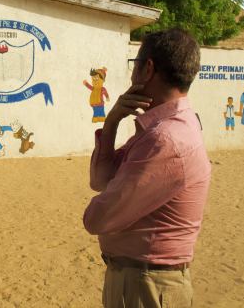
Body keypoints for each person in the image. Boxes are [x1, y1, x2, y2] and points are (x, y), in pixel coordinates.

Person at [83, 28, 211, 308]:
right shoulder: (163, 129)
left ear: (147, 69)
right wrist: (112, 121)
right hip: (142, 280)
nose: (132, 75)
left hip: (147, 285)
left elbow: (97, 218)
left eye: (135, 66)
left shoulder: (163, 139)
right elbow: (100, 179)